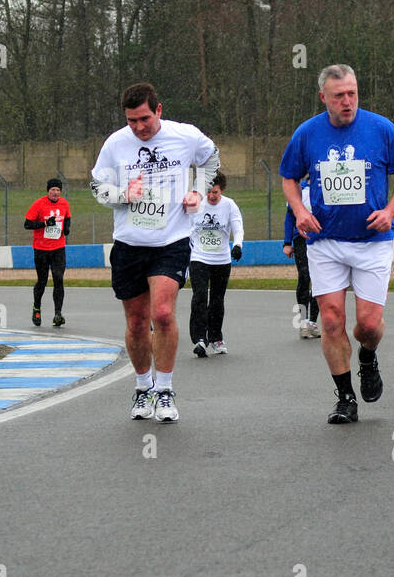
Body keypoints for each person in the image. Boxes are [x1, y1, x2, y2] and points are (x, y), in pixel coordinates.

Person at [279, 64, 394, 425]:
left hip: (372, 242)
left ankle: (367, 357)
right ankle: (345, 398)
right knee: (332, 319)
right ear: (323, 97)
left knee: (367, 325)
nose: (347, 101)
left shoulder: (381, 129)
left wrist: (390, 210)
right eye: (339, 95)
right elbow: (289, 178)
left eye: (352, 93)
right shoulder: (307, 134)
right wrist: (299, 213)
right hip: (324, 241)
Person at [91, 82, 220, 423]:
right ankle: (142, 386)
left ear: (158, 110)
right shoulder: (115, 144)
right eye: (132, 121)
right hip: (130, 244)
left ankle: (164, 389)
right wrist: (121, 194)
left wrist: (197, 191)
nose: (139, 128)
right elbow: (97, 188)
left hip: (171, 241)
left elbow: (211, 158)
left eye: (145, 119)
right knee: (136, 323)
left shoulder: (185, 135)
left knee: (162, 314)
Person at [188, 173, 244, 357]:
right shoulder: (196, 204)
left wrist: (237, 244)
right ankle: (199, 339)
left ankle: (215, 337)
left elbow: (237, 226)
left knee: (217, 300)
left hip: (221, 260)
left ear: (222, 190)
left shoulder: (229, 205)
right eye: (209, 192)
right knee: (200, 296)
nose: (212, 196)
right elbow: (186, 227)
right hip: (199, 257)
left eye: (216, 192)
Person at [23, 178, 71, 327]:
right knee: (42, 281)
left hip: (58, 248)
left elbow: (67, 217)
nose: (55, 193)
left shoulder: (64, 203)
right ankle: (36, 308)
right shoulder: (39, 204)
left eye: (58, 190)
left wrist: (67, 228)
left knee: (58, 279)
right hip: (41, 249)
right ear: (48, 191)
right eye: (53, 190)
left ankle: (58, 314)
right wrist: (44, 224)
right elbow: (27, 224)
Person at [282, 176, 320, 339]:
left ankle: (312, 321)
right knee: (304, 276)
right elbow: (289, 216)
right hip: (301, 239)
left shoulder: (324, 187)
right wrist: (287, 242)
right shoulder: (299, 189)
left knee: (320, 280)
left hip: (321, 238)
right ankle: (303, 320)